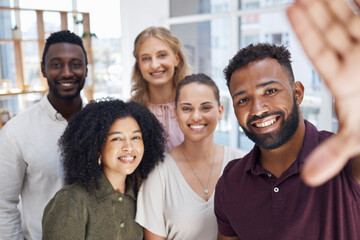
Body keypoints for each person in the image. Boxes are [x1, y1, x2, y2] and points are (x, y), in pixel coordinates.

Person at [215, 41, 360, 240]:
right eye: (243, 100)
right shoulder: (231, 182)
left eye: (270, 91)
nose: (258, 109)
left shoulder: (347, 159)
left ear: (297, 93)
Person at [0, 30, 88, 240]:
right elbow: (4, 206)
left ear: (86, 69)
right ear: (43, 69)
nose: (67, 73)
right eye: (56, 64)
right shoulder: (16, 132)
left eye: (75, 64)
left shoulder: (105, 124)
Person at [136, 73, 243, 240]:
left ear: (220, 111)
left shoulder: (241, 164)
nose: (196, 116)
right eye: (187, 108)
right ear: (176, 113)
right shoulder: (158, 173)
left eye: (206, 107)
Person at [41, 99, 165, 239]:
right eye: (117, 139)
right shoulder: (71, 201)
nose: (129, 147)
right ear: (97, 147)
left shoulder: (141, 196)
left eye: (136, 137)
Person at [130, 26, 192, 151]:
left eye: (162, 55)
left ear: (176, 59)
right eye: (146, 58)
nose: (155, 65)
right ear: (139, 65)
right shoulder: (130, 111)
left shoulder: (194, 105)